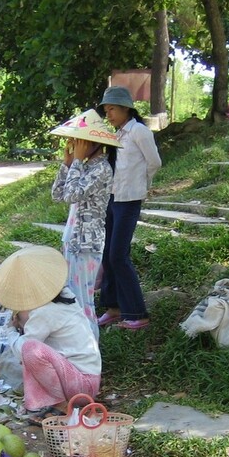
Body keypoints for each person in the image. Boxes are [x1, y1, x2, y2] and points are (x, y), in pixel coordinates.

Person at [0, 246, 101, 425]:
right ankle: (51, 403)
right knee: (32, 347)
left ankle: (61, 406)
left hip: (81, 386)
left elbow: (24, 350)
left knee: (30, 348)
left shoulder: (45, 312)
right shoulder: (64, 294)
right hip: (85, 380)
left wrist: (11, 332)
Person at [49, 109, 120, 340]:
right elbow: (58, 195)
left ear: (92, 142)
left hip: (86, 244)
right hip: (73, 240)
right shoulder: (86, 166)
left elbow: (71, 195)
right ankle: (80, 348)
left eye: (78, 141)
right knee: (72, 298)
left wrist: (77, 162)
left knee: (83, 301)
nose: (74, 144)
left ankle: (91, 353)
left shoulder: (100, 169)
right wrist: (67, 164)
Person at [96, 86, 162, 330]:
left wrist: (141, 185)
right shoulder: (118, 133)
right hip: (113, 198)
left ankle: (137, 313)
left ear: (126, 108)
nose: (109, 113)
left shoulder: (139, 131)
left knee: (118, 256)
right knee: (107, 254)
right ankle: (113, 308)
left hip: (129, 199)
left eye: (112, 108)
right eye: (106, 110)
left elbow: (154, 162)